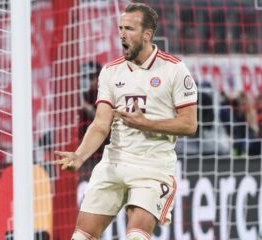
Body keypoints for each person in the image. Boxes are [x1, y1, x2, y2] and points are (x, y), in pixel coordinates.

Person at [55, 3, 198, 240]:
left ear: (147, 34)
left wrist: (146, 124)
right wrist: (79, 156)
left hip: (152, 168)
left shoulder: (174, 69)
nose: (121, 34)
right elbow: (101, 124)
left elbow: (189, 124)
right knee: (80, 237)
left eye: (129, 28)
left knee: (135, 236)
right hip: (114, 163)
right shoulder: (111, 72)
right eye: (120, 28)